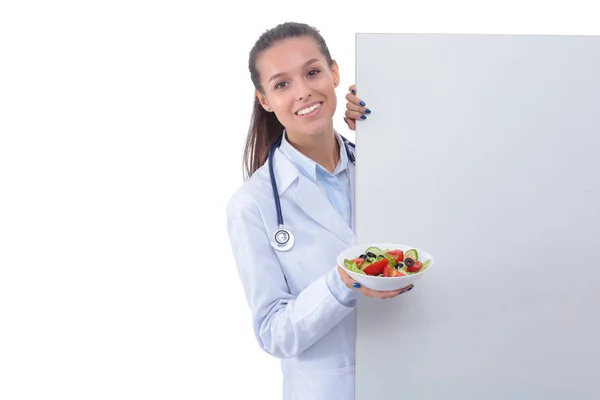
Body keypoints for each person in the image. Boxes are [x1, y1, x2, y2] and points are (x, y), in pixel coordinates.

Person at [226, 21, 413, 400]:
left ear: (335, 73)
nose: (303, 92)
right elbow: (273, 331)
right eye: (281, 84)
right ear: (264, 100)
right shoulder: (252, 205)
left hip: (413, 374)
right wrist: (342, 283)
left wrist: (390, 124)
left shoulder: (382, 167)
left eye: (312, 72)